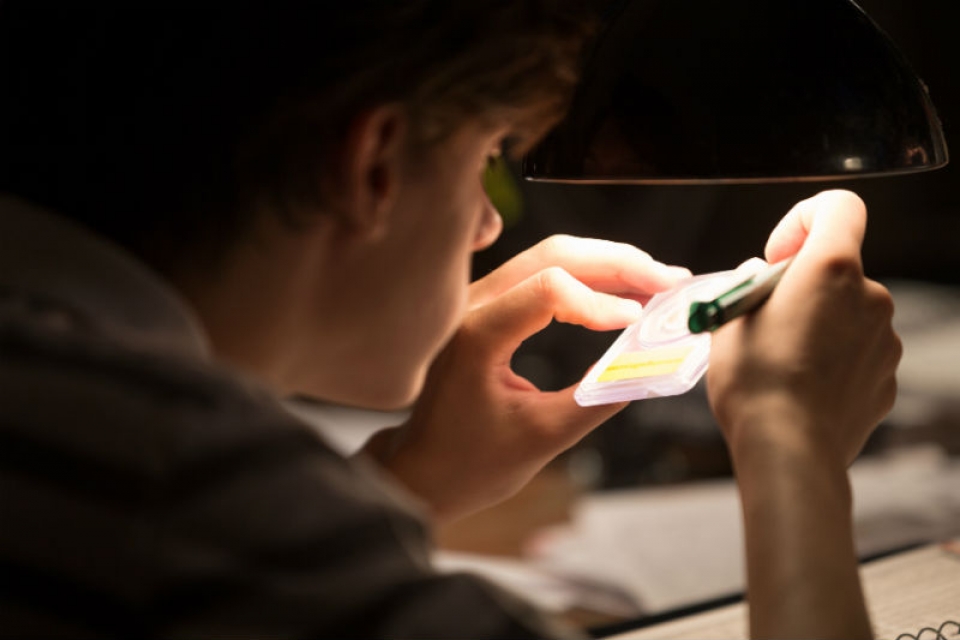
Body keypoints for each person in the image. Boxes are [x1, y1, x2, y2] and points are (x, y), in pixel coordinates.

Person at [0, 2, 900, 639]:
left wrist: (407, 478)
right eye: (489, 159)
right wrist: (789, 442)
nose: (489, 226)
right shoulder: (182, 485)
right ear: (376, 166)